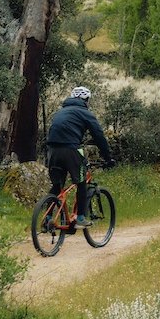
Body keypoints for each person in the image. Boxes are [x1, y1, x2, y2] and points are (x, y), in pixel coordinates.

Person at [45, 86, 114, 227]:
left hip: (52, 150)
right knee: (81, 182)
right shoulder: (84, 112)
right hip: (71, 149)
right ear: (86, 100)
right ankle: (80, 218)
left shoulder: (61, 111)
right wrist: (108, 158)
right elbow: (99, 136)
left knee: (57, 186)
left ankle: (47, 218)